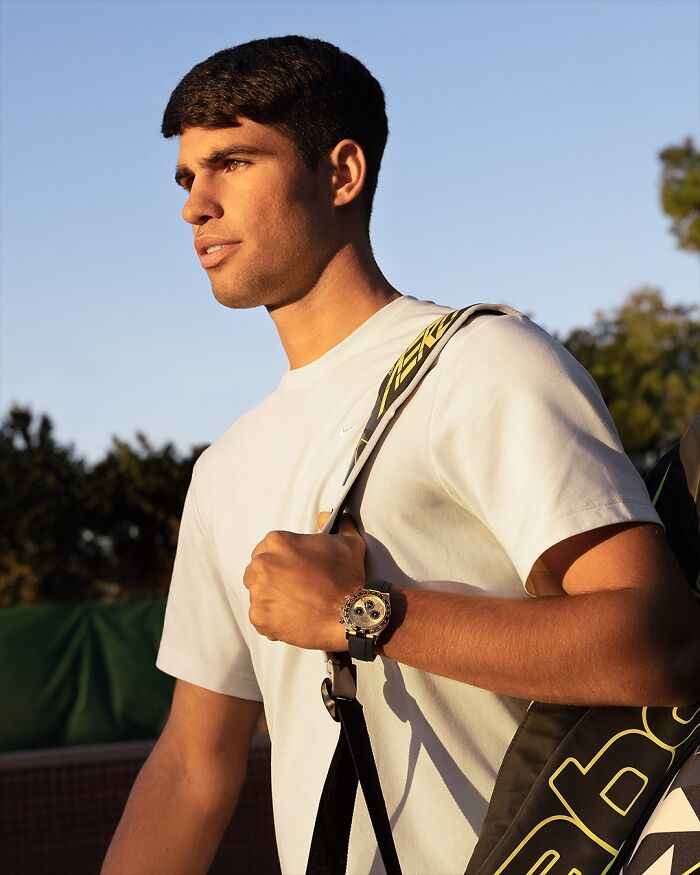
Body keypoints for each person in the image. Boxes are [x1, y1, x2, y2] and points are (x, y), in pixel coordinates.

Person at [101, 35, 700, 875]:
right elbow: (193, 766)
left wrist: (363, 613)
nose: (194, 204)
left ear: (341, 173)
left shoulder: (483, 365)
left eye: (232, 163)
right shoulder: (224, 468)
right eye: (186, 177)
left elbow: (661, 639)